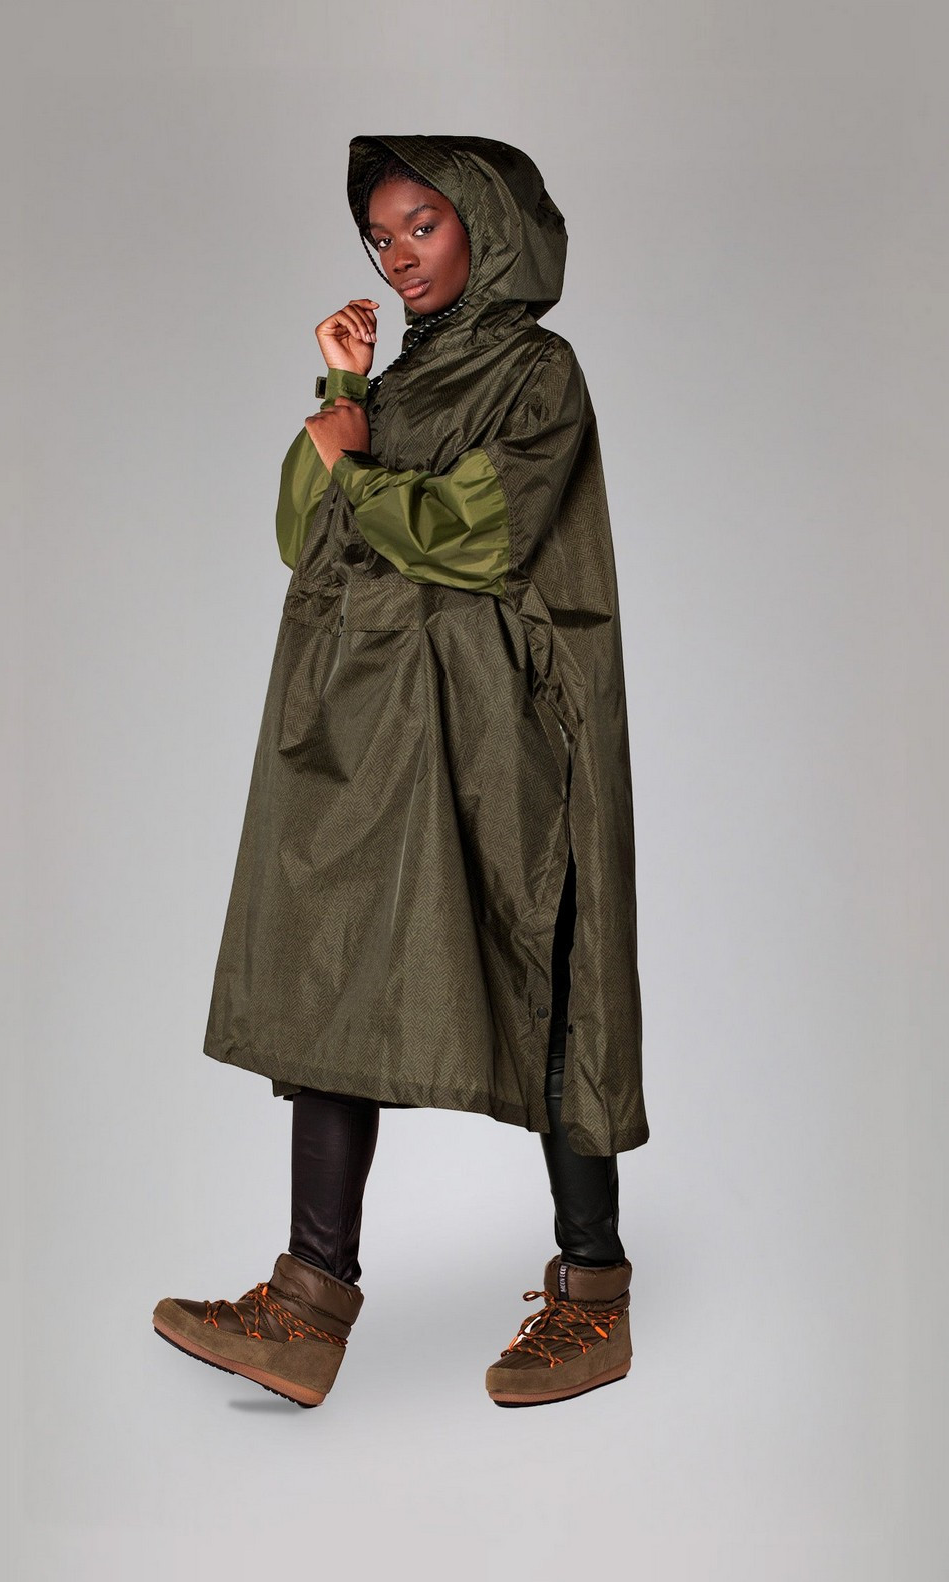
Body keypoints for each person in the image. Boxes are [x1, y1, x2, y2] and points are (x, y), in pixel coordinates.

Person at [153, 135, 650, 1409]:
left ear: (484, 223)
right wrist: (339, 391)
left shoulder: (538, 371)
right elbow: (300, 532)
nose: (397, 257)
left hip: (497, 722)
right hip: (371, 716)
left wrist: (353, 458)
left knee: (545, 964)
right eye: (380, 237)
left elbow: (480, 534)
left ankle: (592, 1295)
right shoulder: (392, 380)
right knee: (336, 964)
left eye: (421, 225)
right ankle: (306, 1305)